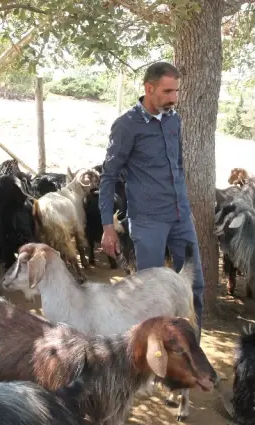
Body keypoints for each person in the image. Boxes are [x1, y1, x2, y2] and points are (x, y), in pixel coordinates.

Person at [98, 61, 206, 339]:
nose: (174, 98)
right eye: (168, 91)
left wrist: (185, 206)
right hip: (148, 222)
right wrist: (107, 227)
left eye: (176, 91)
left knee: (194, 287)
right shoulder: (126, 126)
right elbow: (108, 177)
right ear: (149, 88)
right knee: (151, 296)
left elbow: (178, 166)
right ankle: (152, 357)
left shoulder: (174, 120)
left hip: (181, 217)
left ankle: (193, 353)